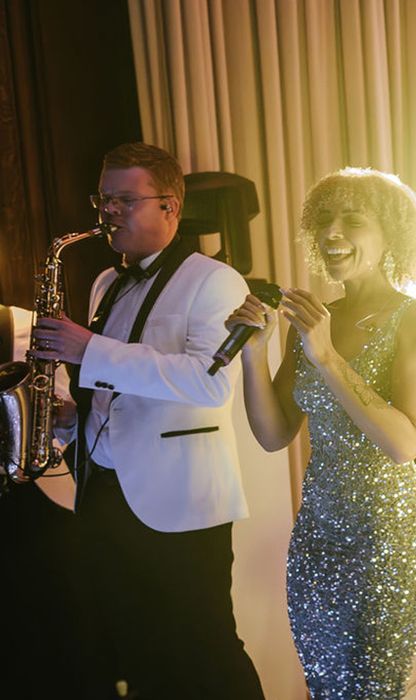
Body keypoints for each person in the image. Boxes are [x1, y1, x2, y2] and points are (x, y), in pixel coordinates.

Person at [32, 142, 265, 699]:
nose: (108, 213)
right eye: (103, 199)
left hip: (180, 502)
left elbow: (207, 382)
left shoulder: (216, 281)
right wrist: (68, 417)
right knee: (138, 655)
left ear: (170, 206)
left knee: (206, 651)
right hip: (107, 495)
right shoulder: (106, 284)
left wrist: (88, 349)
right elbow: (118, 391)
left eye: (124, 200)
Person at [226, 167, 416, 698]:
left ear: (391, 234)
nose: (332, 233)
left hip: (388, 536)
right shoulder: (315, 319)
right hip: (318, 535)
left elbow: (404, 443)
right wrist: (254, 355)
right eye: (323, 221)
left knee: (371, 689)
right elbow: (274, 434)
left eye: (353, 220)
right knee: (327, 687)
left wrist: (324, 355)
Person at [0, 303, 88, 699]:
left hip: (31, 518)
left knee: (53, 657)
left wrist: (64, 415)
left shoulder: (25, 327)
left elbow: (74, 427)